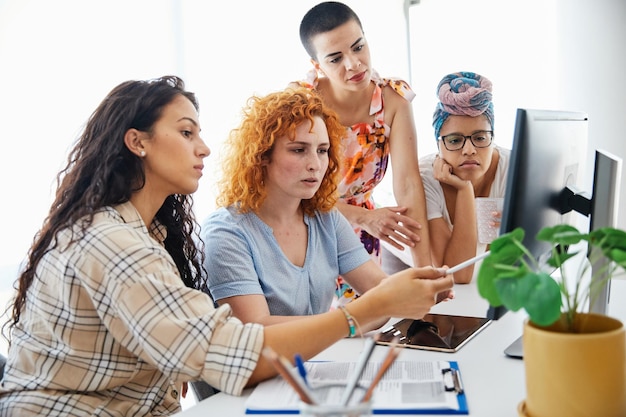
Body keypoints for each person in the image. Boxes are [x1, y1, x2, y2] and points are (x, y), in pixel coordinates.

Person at [0, 75, 454, 416]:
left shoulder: (145, 233)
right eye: (185, 133)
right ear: (137, 142)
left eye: (322, 151)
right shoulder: (117, 244)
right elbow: (238, 351)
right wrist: (355, 316)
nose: (204, 149)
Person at [203, 88, 431, 329]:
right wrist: (362, 315)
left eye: (322, 150)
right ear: (262, 156)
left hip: (319, 362)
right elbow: (256, 329)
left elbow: (382, 293)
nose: (315, 164)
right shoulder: (225, 232)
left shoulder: (327, 219)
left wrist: (415, 288)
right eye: (298, 150)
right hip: (264, 366)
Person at [292, 1, 432, 306]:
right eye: (336, 58)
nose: (354, 64)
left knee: (369, 325)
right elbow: (293, 193)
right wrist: (365, 218)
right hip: (303, 227)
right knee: (312, 328)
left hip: (362, 235)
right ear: (318, 66)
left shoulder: (394, 100)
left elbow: (408, 184)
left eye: (358, 47)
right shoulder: (300, 103)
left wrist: (425, 271)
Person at [420, 71, 510, 284]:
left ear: (493, 138)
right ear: (438, 145)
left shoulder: (512, 168)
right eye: (454, 140)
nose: (469, 150)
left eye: (480, 137)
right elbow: (457, 274)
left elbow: (498, 258)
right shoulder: (425, 178)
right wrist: (465, 190)